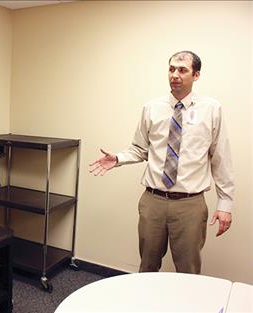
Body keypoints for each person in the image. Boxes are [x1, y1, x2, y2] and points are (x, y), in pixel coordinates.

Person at [89, 51, 234, 274]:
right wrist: (118, 159)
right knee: (147, 266)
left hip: (190, 205)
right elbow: (139, 148)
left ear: (196, 75)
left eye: (182, 70)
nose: (175, 74)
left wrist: (225, 204)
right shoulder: (151, 108)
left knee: (188, 270)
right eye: (171, 69)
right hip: (153, 201)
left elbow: (220, 157)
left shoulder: (211, 109)